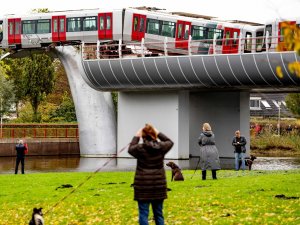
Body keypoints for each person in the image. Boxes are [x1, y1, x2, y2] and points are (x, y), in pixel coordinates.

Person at [128, 124, 173, 225]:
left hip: (143, 186)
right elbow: (170, 142)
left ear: (143, 136)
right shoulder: (161, 148)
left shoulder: (139, 148)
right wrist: (158, 133)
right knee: (158, 214)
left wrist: (136, 136)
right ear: (154, 135)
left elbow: (130, 149)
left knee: (143, 214)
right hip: (158, 186)